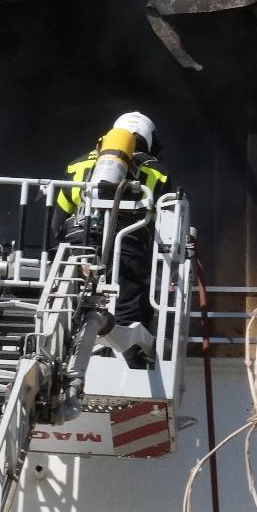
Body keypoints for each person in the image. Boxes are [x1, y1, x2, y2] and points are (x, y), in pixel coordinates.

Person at [53, 112, 169, 368]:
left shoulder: (77, 166)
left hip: (78, 242)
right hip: (128, 246)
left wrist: (60, 248)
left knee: (70, 301)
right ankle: (130, 365)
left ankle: (61, 358)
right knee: (127, 308)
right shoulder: (157, 174)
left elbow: (58, 216)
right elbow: (167, 224)